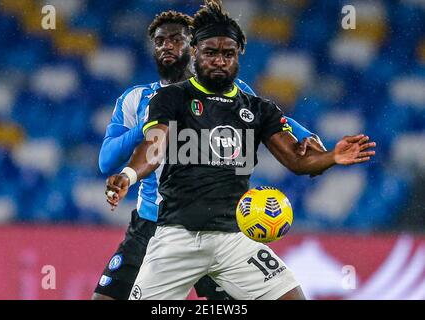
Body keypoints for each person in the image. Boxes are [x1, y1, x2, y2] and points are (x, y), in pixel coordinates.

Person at [95, 8, 325, 300]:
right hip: (152, 222)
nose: (167, 45)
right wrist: (152, 121)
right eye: (160, 40)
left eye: (176, 39)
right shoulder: (137, 98)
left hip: (214, 224)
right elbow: (106, 161)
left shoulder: (230, 90)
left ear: (193, 47)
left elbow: (268, 119)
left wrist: (306, 136)